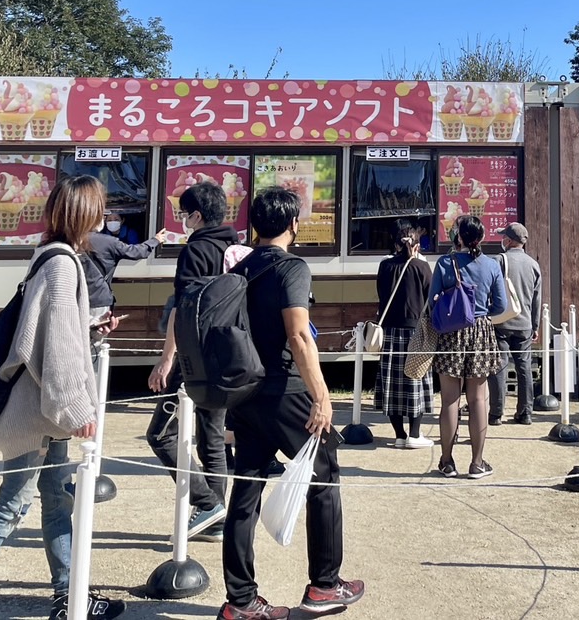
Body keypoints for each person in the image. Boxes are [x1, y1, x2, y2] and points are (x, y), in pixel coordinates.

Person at [0, 176, 124, 620]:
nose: (103, 218)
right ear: (85, 214)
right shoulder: (62, 264)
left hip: (38, 410)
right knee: (13, 504)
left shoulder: (51, 257)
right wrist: (76, 409)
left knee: (55, 500)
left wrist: (91, 331)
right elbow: (52, 347)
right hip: (36, 412)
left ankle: (69, 596)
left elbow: (47, 336)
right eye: (99, 210)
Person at [216, 186, 364, 620]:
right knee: (325, 478)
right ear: (294, 224)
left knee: (246, 491)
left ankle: (240, 601)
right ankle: (324, 584)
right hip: (286, 390)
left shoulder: (241, 268)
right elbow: (299, 336)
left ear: (255, 225)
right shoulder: (291, 267)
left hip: (246, 392)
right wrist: (321, 395)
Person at [146, 180, 237, 540]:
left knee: (160, 435)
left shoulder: (195, 250)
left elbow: (183, 309)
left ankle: (207, 504)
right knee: (213, 438)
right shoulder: (235, 247)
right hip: (228, 355)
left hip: (192, 358)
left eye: (184, 214)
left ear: (197, 215)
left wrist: (166, 359)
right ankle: (215, 519)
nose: (183, 220)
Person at [431, 215, 508, 480]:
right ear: (482, 237)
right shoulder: (492, 264)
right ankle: (476, 463)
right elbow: (501, 305)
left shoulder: (444, 263)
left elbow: (432, 303)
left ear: (459, 237)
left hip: (451, 332)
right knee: (478, 400)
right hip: (482, 331)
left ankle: (447, 461)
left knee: (449, 400)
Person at [373, 219, 434, 448]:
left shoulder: (385, 266)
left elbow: (380, 293)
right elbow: (431, 297)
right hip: (416, 330)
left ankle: (399, 435)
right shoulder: (422, 267)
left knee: (392, 384)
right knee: (415, 380)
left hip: (389, 329)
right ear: (416, 245)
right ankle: (415, 435)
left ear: (396, 244)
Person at [489, 222, 543, 426]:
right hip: (525, 324)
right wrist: (535, 326)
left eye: (504, 237)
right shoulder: (533, 264)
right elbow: (537, 299)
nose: (502, 240)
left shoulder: (499, 260)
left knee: (499, 367)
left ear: (509, 241)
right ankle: (525, 413)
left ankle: (496, 413)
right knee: (524, 368)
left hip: (501, 322)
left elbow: (491, 291)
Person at [83, 210, 160, 332]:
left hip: (74, 297)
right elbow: (137, 252)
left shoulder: (70, 241)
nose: (109, 221)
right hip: (99, 297)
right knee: (97, 336)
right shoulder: (108, 241)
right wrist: (155, 240)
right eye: (105, 218)